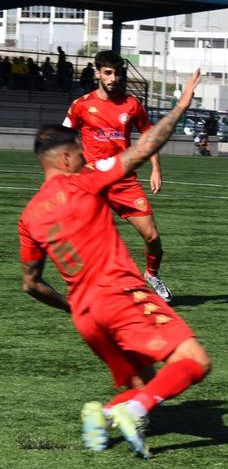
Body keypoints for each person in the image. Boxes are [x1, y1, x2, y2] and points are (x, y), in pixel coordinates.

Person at [19, 69, 210, 459]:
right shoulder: (84, 180)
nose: (85, 157)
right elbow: (143, 148)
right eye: (81, 153)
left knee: (145, 379)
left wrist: (73, 305)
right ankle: (131, 409)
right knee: (194, 361)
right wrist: (181, 106)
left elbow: (31, 284)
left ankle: (105, 416)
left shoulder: (29, 217)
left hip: (87, 316)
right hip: (120, 294)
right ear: (68, 156)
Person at [63, 50, 177, 302]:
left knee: (153, 237)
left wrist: (156, 169)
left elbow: (150, 137)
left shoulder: (132, 105)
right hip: (93, 182)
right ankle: (86, 288)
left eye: (117, 73)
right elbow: (61, 139)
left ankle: (151, 275)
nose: (113, 78)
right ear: (97, 73)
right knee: (88, 240)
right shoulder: (81, 105)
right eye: (108, 73)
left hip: (124, 181)